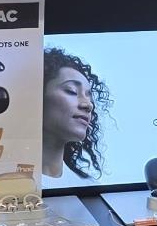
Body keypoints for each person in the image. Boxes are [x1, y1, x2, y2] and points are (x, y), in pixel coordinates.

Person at [42, 47, 110, 181]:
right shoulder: (3, 182)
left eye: (89, 97)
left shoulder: (87, 186)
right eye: (72, 91)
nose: (88, 105)